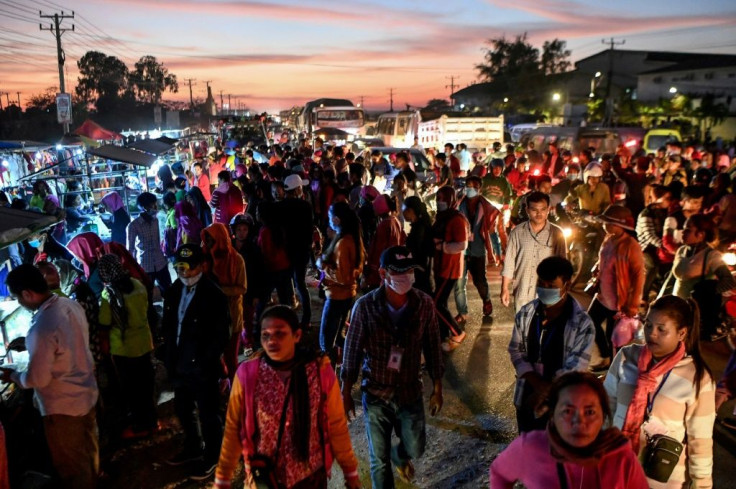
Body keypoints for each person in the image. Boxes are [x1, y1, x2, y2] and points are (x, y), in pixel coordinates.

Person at [214, 305, 361, 489]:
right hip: (265, 478)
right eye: (265, 335)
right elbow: (234, 428)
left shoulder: (319, 372)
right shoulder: (248, 375)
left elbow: (337, 425)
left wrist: (350, 471)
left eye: (280, 334)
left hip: (310, 477)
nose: (271, 341)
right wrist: (222, 478)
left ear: (297, 335)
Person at [341, 246, 444, 488]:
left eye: (409, 270)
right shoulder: (365, 307)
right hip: (376, 393)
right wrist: (345, 393)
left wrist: (437, 387)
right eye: (399, 271)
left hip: (410, 391)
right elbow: (352, 351)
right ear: (383, 273)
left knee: (416, 447)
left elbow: (433, 347)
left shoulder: (424, 304)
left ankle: (401, 455)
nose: (406, 275)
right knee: (379, 459)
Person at [1, 264, 99, 489]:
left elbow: (37, 379)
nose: (20, 303)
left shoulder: (42, 327)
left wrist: (14, 376)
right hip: (86, 393)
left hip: (63, 408)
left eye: (18, 297)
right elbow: (67, 343)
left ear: (27, 293)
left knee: (72, 467)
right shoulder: (69, 304)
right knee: (88, 454)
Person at [604, 295, 715, 489]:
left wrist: (702, 483)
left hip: (661, 478)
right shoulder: (626, 357)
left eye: (661, 329)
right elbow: (606, 407)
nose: (651, 334)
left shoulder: (697, 377)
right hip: (617, 465)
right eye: (648, 325)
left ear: (682, 333)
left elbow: (701, 439)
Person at [489, 372, 649, 489]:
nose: (578, 422)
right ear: (552, 414)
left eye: (590, 412)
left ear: (603, 416)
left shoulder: (621, 458)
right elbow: (499, 473)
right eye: (567, 411)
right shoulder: (530, 447)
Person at [162, 244, 230, 480]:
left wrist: (204, 359)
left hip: (203, 368)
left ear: (203, 266)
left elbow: (222, 334)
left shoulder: (214, 295)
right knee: (183, 409)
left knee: (209, 414)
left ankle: (213, 457)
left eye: (189, 268)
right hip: (179, 364)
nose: (184, 273)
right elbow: (169, 326)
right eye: (180, 267)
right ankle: (193, 447)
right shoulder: (173, 290)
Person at [508, 256, 595, 432]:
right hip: (527, 397)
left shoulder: (582, 324)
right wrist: (536, 383)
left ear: (567, 286)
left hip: (561, 402)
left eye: (551, 286)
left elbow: (576, 367)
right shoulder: (526, 313)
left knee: (554, 452)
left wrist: (545, 391)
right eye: (541, 284)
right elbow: (516, 350)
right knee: (526, 446)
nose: (544, 290)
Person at [97, 254, 157, 439]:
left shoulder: (109, 294)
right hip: (144, 343)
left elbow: (104, 323)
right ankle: (152, 422)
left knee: (132, 390)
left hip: (124, 349)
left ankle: (140, 427)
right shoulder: (137, 284)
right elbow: (147, 310)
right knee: (146, 386)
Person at [587, 206, 645, 368]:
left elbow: (639, 275)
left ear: (621, 225)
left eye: (609, 223)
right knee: (590, 322)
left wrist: (633, 304)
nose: (605, 226)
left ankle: (613, 371)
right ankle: (605, 357)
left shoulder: (631, 246)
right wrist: (596, 268)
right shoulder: (609, 239)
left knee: (614, 338)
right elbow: (602, 259)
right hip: (602, 296)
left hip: (619, 300)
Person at [672, 214, 736, 339]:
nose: (683, 232)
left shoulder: (711, 256)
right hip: (674, 307)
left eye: (688, 230)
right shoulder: (682, 250)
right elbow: (672, 279)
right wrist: (660, 300)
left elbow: (728, 281)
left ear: (701, 234)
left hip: (693, 314)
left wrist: (708, 291)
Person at [501, 191, 567, 312]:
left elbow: (562, 266)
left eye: (542, 209)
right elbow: (509, 262)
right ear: (527, 210)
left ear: (548, 209)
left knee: (545, 329)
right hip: (523, 293)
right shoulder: (517, 232)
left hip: (547, 294)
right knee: (523, 328)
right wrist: (504, 288)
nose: (539, 213)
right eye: (534, 210)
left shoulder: (557, 233)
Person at [454, 175, 506, 322]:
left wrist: (497, 252)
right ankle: (462, 313)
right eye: (468, 185)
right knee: (459, 283)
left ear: (479, 188)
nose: (470, 188)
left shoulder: (487, 207)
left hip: (477, 250)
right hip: (461, 250)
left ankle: (486, 300)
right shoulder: (459, 204)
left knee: (480, 281)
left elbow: (492, 232)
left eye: (473, 186)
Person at [317, 202, 364, 364]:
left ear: (336, 220)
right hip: (348, 294)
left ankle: (329, 378)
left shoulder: (344, 243)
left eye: (330, 218)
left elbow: (343, 276)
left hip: (338, 296)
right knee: (338, 337)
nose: (329, 221)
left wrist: (324, 269)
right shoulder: (352, 237)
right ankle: (349, 364)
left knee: (325, 342)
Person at [202, 223, 247, 381]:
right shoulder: (205, 260)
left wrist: (218, 290)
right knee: (213, 355)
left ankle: (235, 391)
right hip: (211, 317)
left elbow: (242, 288)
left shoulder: (236, 260)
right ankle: (223, 379)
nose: (207, 244)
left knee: (231, 358)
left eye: (210, 240)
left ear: (220, 240)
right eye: (206, 240)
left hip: (231, 316)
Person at [432, 186, 470, 351]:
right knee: (441, 303)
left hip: (450, 267)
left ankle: (457, 332)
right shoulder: (443, 216)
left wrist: (442, 247)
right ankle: (443, 336)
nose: (439, 202)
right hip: (441, 265)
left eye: (442, 198)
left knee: (436, 304)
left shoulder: (456, 219)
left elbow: (462, 244)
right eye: (438, 198)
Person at [280, 173, 315, 329]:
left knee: (287, 283)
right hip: (301, 250)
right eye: (300, 187)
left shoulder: (281, 206)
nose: (302, 189)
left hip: (286, 250)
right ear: (296, 190)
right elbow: (309, 229)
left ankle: (288, 317)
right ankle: (306, 318)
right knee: (300, 283)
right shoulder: (305, 206)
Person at [127, 192, 171, 295]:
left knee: (168, 291)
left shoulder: (157, 220)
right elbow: (130, 249)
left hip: (161, 262)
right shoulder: (133, 226)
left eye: (155, 204)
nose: (156, 207)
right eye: (153, 205)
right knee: (146, 295)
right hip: (145, 266)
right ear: (144, 207)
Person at [401, 196, 434, 294]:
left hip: (419, 274)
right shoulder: (419, 226)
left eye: (403, 209)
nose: (402, 213)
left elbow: (417, 251)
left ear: (411, 210)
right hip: (420, 272)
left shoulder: (419, 229)